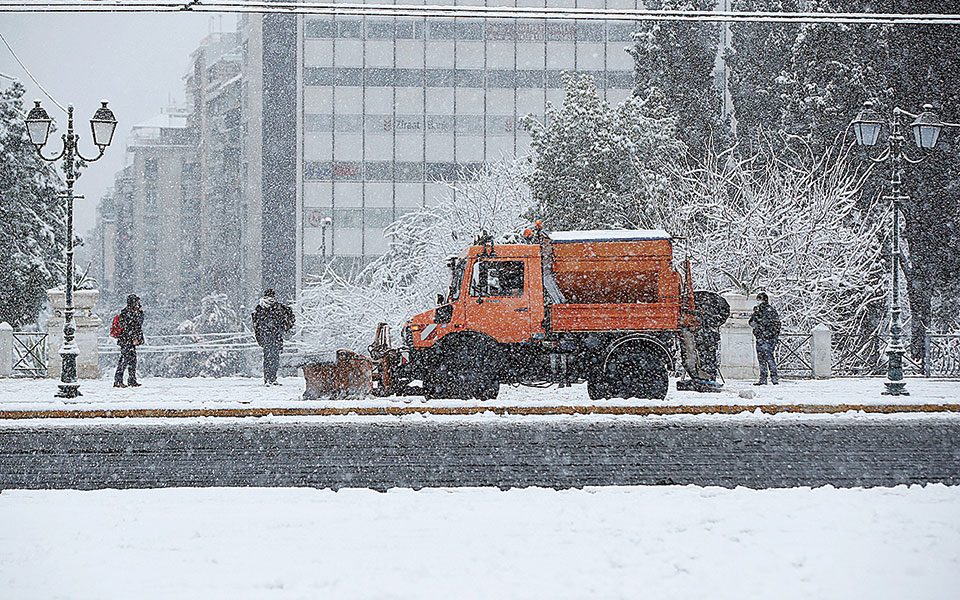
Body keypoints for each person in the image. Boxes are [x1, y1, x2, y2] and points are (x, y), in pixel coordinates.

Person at [252, 289, 294, 386]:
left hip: (266, 336)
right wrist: (284, 328)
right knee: (275, 358)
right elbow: (287, 317)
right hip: (275, 336)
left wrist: (260, 335)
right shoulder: (278, 307)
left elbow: (256, 323)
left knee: (267, 358)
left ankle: (267, 379)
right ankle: (272, 378)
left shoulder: (259, 308)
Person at [749, 291, 781, 385]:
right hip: (760, 338)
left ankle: (774, 377)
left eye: (759, 300)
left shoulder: (770, 311)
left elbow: (774, 325)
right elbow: (751, 323)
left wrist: (769, 334)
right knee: (761, 358)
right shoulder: (758, 311)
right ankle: (763, 378)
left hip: (768, 338)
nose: (758, 301)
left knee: (769, 357)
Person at [114, 294, 144, 388]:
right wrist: (132, 338)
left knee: (132, 361)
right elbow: (128, 327)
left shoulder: (134, 311)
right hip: (126, 341)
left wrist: (140, 312)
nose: (139, 303)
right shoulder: (126, 312)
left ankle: (132, 380)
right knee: (124, 360)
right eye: (137, 301)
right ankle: (118, 381)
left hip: (130, 341)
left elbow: (139, 323)